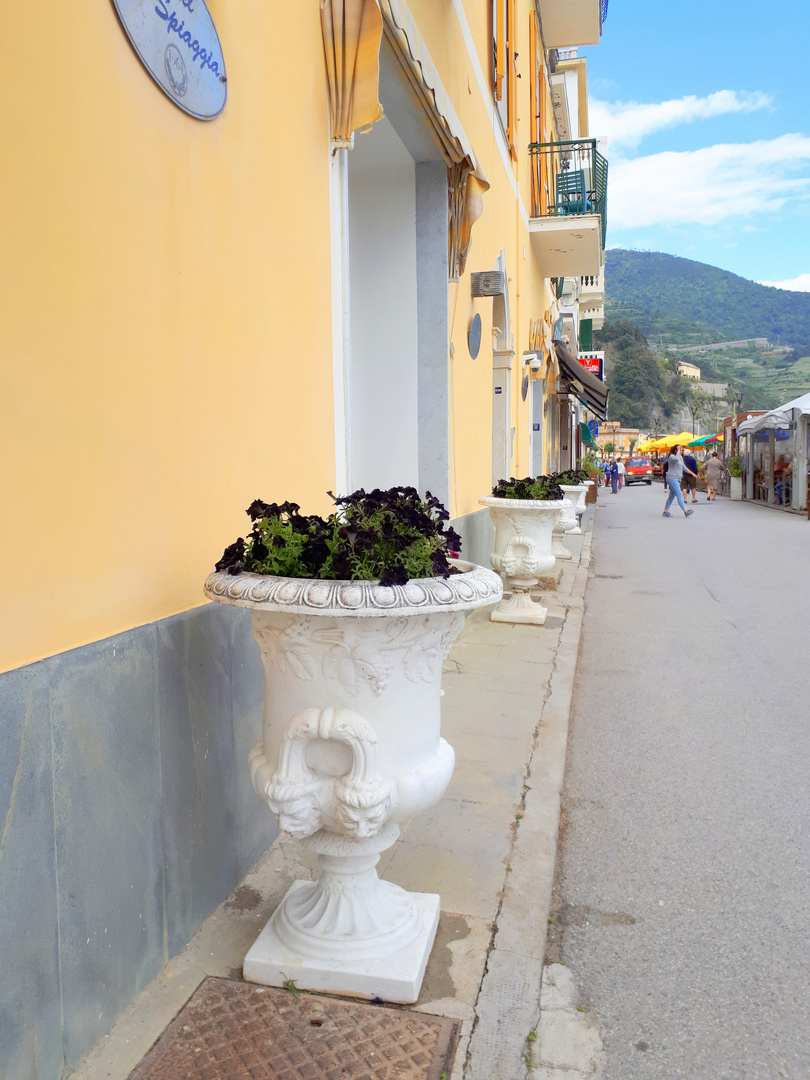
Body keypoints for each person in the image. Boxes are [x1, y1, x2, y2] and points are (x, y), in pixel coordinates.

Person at [663, 445, 696, 518]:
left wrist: (692, 473)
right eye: (680, 449)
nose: (681, 451)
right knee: (679, 494)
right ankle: (685, 511)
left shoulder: (680, 457)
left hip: (677, 478)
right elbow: (675, 459)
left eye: (682, 450)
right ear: (675, 450)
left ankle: (665, 511)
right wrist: (677, 452)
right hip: (672, 478)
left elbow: (683, 467)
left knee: (671, 496)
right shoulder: (671, 457)